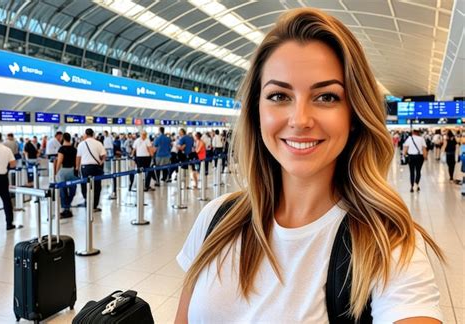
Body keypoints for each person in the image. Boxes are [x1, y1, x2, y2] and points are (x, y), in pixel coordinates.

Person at [175, 8, 443, 324]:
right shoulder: (216, 220)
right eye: (278, 95)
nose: (300, 120)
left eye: (326, 97)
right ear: (256, 111)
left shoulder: (389, 246)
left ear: (354, 114)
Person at [0, 132, 22, 231]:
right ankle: (9, 223)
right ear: (0, 138)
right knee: (6, 201)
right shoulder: (6, 149)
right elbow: (13, 164)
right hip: (2, 178)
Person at [76, 128, 106, 213]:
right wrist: (101, 162)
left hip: (85, 168)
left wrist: (77, 168)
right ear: (93, 134)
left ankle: (87, 202)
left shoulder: (81, 144)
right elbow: (104, 156)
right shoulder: (98, 143)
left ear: (85, 134)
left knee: (85, 185)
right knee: (97, 186)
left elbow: (78, 157)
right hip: (96, 167)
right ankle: (94, 206)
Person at [55, 132, 78, 218]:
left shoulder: (62, 149)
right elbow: (76, 161)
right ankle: (68, 206)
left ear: (63, 139)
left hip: (64, 171)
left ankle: (66, 208)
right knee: (72, 189)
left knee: (63, 190)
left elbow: (60, 161)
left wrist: (56, 171)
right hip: (73, 170)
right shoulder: (74, 149)